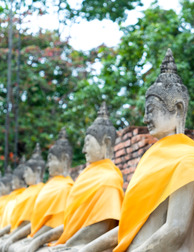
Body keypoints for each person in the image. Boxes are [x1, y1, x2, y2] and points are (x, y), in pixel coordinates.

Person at [80, 49, 194, 252]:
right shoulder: (148, 159)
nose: (145, 119)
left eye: (151, 110)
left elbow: (175, 229)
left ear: (177, 109)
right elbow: (129, 226)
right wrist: (85, 249)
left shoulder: (188, 158)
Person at [26, 103, 124, 252]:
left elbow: (101, 226)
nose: (84, 150)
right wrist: (39, 240)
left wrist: (69, 245)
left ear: (106, 143)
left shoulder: (109, 179)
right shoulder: (86, 176)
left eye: (87, 143)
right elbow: (71, 223)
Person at [6, 129, 74, 252]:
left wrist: (35, 240)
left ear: (64, 160)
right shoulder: (46, 187)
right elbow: (33, 223)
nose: (48, 165)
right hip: (34, 237)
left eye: (51, 159)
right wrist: (14, 238)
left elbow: (56, 223)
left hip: (51, 241)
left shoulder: (65, 188)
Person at [0, 145, 46, 252]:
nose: (24, 176)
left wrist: (12, 238)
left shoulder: (40, 192)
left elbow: (29, 222)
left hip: (30, 235)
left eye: (27, 172)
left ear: (38, 172)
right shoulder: (25, 194)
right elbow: (16, 222)